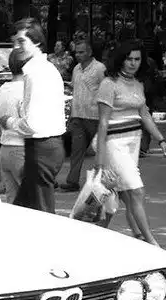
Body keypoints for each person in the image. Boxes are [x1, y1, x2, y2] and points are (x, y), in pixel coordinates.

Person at [95, 40, 166, 246]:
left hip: (133, 143)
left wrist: (161, 139)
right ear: (121, 59)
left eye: (137, 59)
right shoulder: (108, 84)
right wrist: (99, 160)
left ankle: (133, 235)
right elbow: (103, 122)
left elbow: (144, 114)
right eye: (129, 59)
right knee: (137, 191)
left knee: (124, 195)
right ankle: (151, 241)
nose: (133, 63)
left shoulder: (138, 84)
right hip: (113, 144)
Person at [0, 18, 66, 214]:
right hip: (46, 147)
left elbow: (32, 124)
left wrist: (9, 121)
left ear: (37, 41)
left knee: (41, 214)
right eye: (14, 42)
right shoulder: (46, 69)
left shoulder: (35, 73)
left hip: (41, 149)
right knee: (24, 211)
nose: (16, 47)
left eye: (21, 41)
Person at [61, 40, 106, 192]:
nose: (78, 55)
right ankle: (72, 181)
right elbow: (75, 89)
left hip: (95, 117)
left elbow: (107, 90)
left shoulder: (100, 68)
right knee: (76, 151)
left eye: (81, 52)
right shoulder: (76, 69)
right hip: (78, 116)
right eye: (77, 52)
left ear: (90, 52)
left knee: (100, 150)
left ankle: (102, 182)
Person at [0, 49, 28, 203]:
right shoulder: (26, 91)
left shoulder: (0, 91)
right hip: (22, 150)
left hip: (5, 149)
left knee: (13, 201)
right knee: (32, 201)